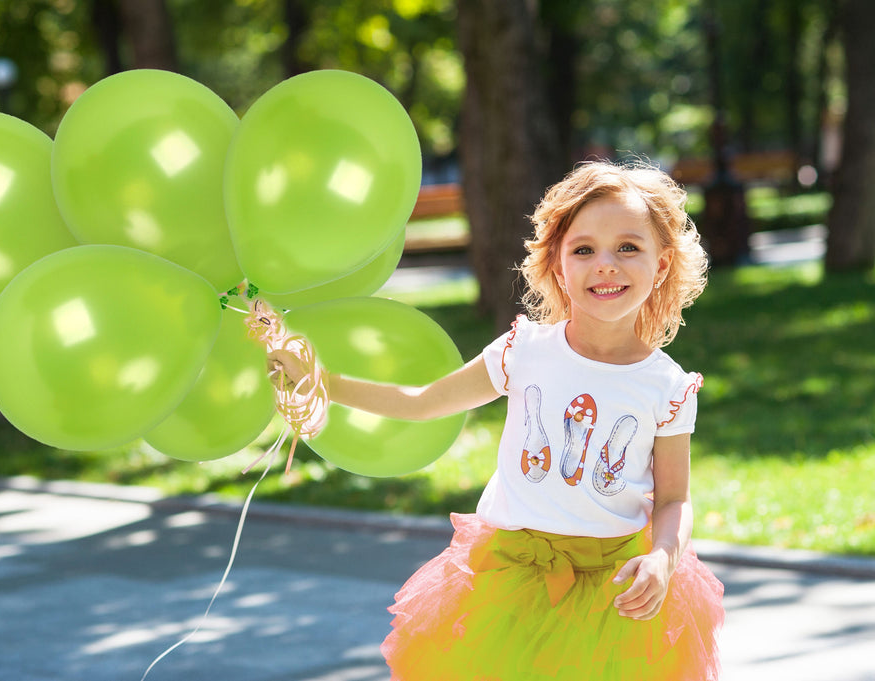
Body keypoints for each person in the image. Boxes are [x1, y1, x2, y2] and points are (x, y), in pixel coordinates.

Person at [270, 160, 724, 680]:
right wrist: (323, 382)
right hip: (508, 583)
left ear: (661, 266)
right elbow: (422, 402)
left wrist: (663, 556)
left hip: (616, 596)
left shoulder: (666, 386)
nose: (606, 265)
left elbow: (673, 498)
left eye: (627, 247)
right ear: (558, 266)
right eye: (583, 250)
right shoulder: (523, 351)